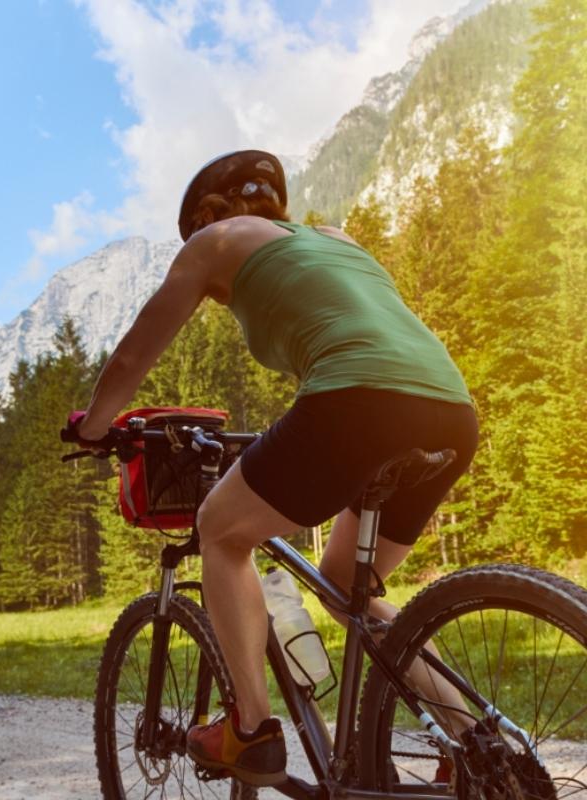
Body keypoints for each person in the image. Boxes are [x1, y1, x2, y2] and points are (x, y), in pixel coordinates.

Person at [67, 150, 478, 786]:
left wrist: (92, 426)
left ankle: (250, 733)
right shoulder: (335, 239)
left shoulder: (216, 239)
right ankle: (478, 743)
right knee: (349, 589)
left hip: (355, 399)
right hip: (451, 409)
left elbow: (132, 356)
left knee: (222, 529)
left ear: (208, 212)